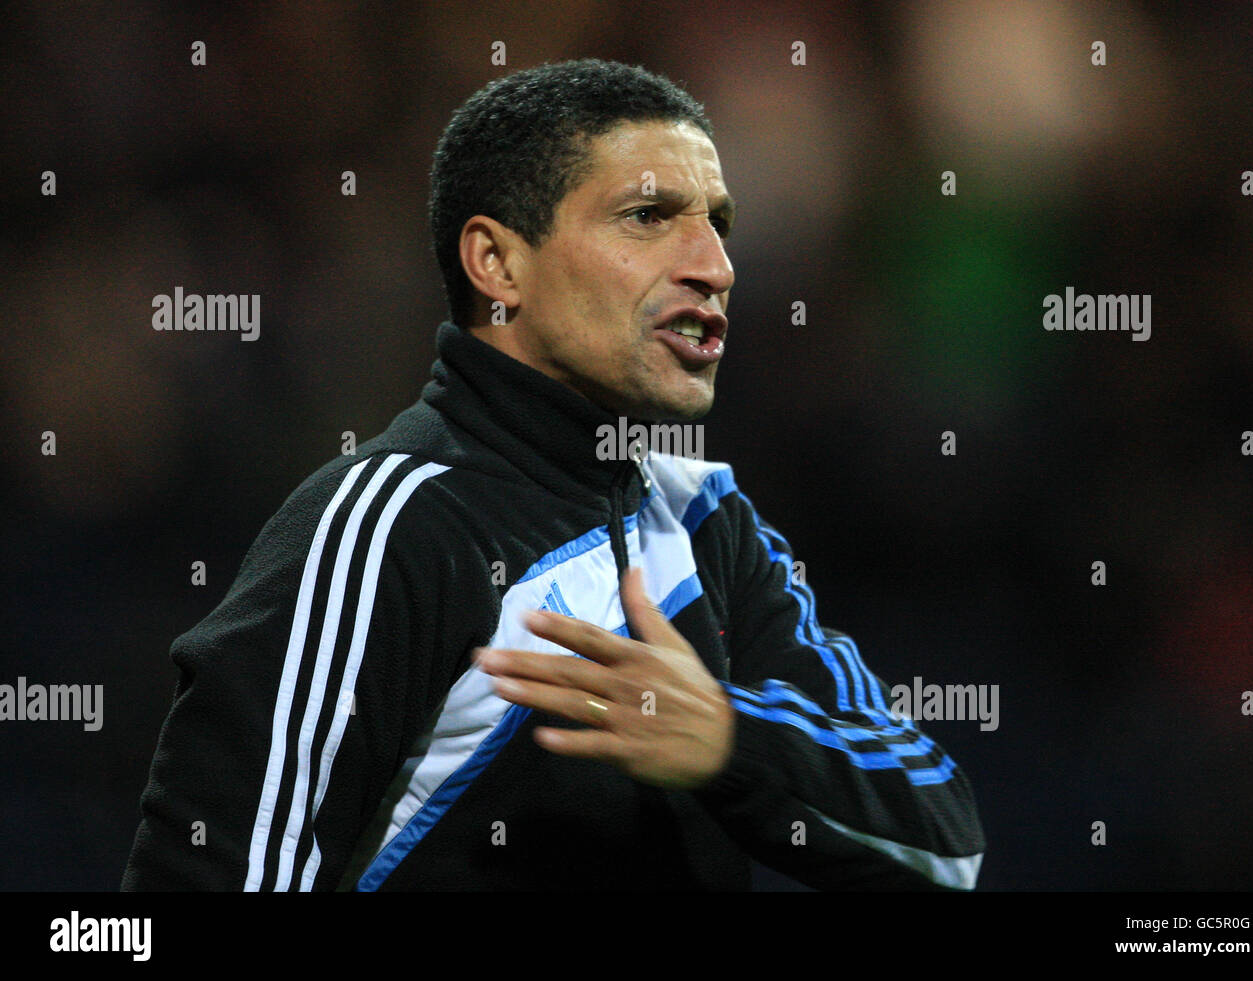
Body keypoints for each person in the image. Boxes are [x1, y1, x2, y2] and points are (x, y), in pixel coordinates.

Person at [122, 58, 985, 891]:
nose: (714, 266)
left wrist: (727, 736)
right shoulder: (386, 528)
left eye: (718, 222)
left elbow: (944, 846)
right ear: (498, 265)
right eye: (648, 216)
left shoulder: (706, 524)